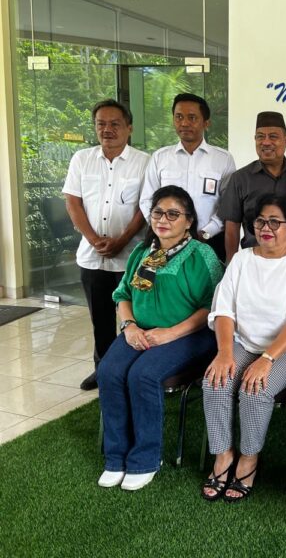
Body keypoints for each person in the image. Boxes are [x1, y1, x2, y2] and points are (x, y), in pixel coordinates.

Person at [97, 185, 223, 491]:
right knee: (109, 371)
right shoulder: (144, 253)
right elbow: (123, 294)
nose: (163, 220)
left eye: (173, 214)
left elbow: (213, 306)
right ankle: (116, 456)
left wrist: (170, 333)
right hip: (139, 332)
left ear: (189, 221)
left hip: (190, 335)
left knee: (142, 374)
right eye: (157, 213)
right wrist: (129, 326)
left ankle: (145, 459)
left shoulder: (202, 255)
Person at [201, 195, 286, 502]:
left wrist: (267, 359)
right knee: (215, 381)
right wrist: (225, 353)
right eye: (260, 221)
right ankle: (223, 454)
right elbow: (223, 310)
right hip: (244, 343)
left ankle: (249, 457)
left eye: (275, 222)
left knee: (255, 388)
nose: (266, 228)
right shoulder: (241, 260)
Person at [63, 99, 150, 391]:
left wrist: (122, 240)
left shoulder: (144, 162)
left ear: (129, 128)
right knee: (100, 319)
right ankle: (102, 370)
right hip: (92, 257)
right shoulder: (82, 159)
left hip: (130, 257)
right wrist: (93, 239)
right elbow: (73, 202)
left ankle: (132, 372)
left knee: (134, 318)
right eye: (101, 124)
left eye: (115, 124)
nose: (107, 129)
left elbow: (145, 208)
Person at [140, 93, 236, 262]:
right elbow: (147, 199)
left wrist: (206, 233)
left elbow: (228, 205)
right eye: (179, 117)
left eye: (192, 118)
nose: (184, 123)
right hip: (165, 243)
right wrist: (164, 229)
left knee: (210, 279)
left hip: (209, 242)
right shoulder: (160, 157)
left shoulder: (223, 159)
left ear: (206, 123)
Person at [218, 111, 286, 263]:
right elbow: (232, 228)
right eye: (260, 137)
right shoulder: (240, 178)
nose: (266, 142)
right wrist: (231, 264)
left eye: (273, 136)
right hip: (253, 260)